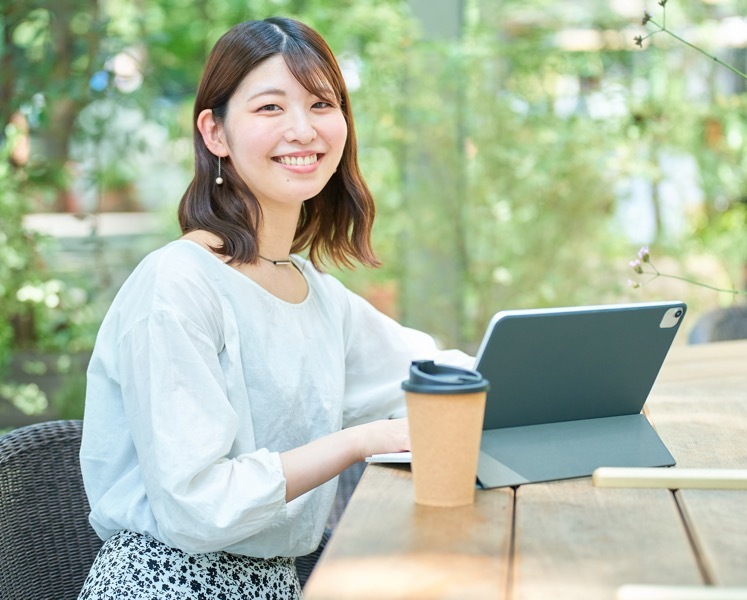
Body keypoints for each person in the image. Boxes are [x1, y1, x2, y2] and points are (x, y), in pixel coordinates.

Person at [77, 16, 471, 600]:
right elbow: (197, 504)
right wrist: (358, 442)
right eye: (269, 108)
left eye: (321, 104)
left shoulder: (312, 290)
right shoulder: (176, 284)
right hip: (166, 585)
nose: (303, 130)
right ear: (215, 132)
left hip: (281, 584)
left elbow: (429, 373)